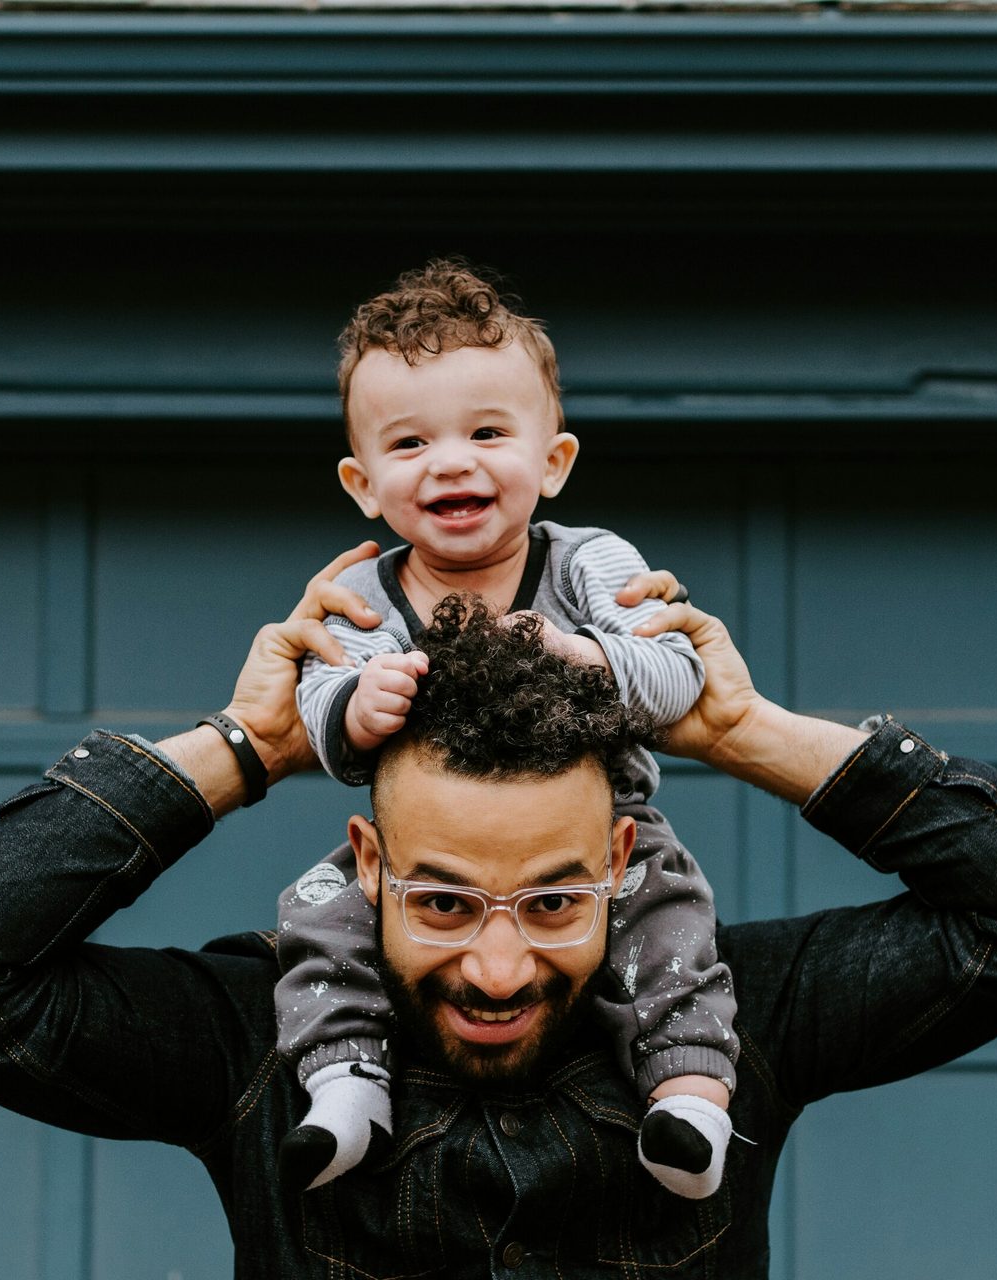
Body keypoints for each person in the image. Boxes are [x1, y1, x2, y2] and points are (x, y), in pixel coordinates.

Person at [0, 545, 997, 1280]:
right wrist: (247, 745)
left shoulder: (733, 1019)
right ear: (366, 864)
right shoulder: (255, 1041)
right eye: (447, 901)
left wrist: (742, 732)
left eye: (558, 899)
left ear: (626, 856)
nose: (502, 965)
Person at [278, 259, 735, 1198]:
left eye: (487, 432)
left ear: (554, 462)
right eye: (410, 445)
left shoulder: (588, 565)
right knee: (318, 914)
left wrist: (585, 656)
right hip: (423, 850)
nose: (451, 461)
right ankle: (345, 1083)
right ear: (364, 485)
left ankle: (688, 1098)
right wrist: (353, 707)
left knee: (672, 918)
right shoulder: (362, 592)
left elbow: (676, 672)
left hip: (608, 828)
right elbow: (319, 710)